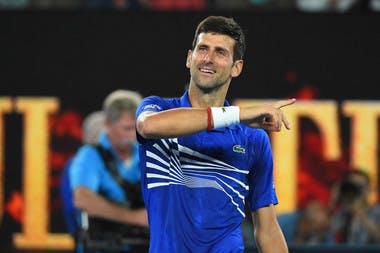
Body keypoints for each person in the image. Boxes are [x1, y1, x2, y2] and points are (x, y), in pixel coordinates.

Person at [136, 15, 296, 253]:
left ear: (236, 67)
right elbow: (148, 127)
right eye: (202, 49)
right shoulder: (158, 109)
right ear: (189, 58)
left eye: (220, 52)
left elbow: (268, 228)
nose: (208, 59)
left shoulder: (253, 139)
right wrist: (237, 114)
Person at [69, 89, 149, 252]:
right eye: (126, 128)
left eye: (137, 128)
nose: (133, 135)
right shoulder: (89, 155)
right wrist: (135, 218)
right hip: (103, 246)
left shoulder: (146, 153)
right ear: (107, 124)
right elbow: (83, 199)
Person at [60, 110, 106, 236]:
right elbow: (72, 207)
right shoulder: (75, 165)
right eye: (97, 136)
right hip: (90, 238)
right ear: (87, 138)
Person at [328, 169, 380, 244]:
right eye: (352, 185)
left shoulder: (377, 210)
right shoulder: (343, 212)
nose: (355, 189)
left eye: (359, 186)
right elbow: (326, 232)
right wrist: (333, 201)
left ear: (368, 189)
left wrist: (360, 214)